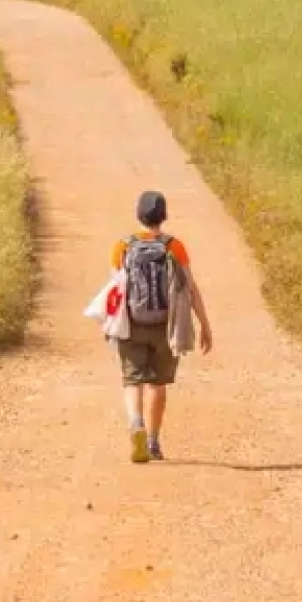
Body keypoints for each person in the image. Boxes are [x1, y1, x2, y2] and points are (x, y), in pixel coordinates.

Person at [110, 191, 213, 463]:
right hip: (166, 326)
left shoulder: (122, 247)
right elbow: (190, 289)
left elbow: (116, 290)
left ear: (139, 214)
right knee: (157, 384)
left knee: (132, 381)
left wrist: (110, 325)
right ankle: (153, 442)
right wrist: (204, 324)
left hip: (132, 324)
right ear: (163, 216)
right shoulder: (174, 247)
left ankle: (136, 424)